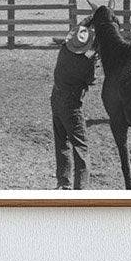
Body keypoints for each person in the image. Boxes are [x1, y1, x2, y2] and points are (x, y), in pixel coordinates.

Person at [50, 24, 96, 189]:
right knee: (81, 146)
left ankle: (63, 183)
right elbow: (91, 80)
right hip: (72, 104)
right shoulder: (86, 63)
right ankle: (81, 188)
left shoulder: (63, 50)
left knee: (61, 142)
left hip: (56, 98)